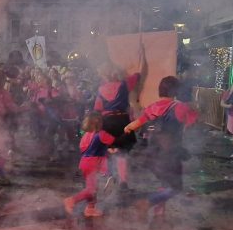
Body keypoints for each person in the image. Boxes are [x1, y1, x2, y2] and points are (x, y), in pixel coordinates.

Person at [124, 76, 199, 221]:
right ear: (176, 90)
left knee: (165, 182)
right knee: (176, 188)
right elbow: (193, 122)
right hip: (170, 153)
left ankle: (159, 213)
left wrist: (126, 128)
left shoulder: (152, 107)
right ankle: (148, 202)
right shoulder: (180, 107)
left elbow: (135, 125)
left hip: (152, 153)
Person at [94, 54, 144, 190]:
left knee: (110, 148)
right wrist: (141, 56)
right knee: (122, 152)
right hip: (122, 121)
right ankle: (122, 181)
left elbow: (97, 108)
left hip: (107, 121)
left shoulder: (100, 90)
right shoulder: (124, 84)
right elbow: (139, 74)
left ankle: (110, 174)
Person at [63, 112, 115, 218]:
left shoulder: (86, 134)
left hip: (85, 162)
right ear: (99, 122)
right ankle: (71, 200)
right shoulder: (101, 134)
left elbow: (82, 148)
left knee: (93, 187)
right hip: (94, 163)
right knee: (91, 189)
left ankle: (90, 208)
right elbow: (115, 143)